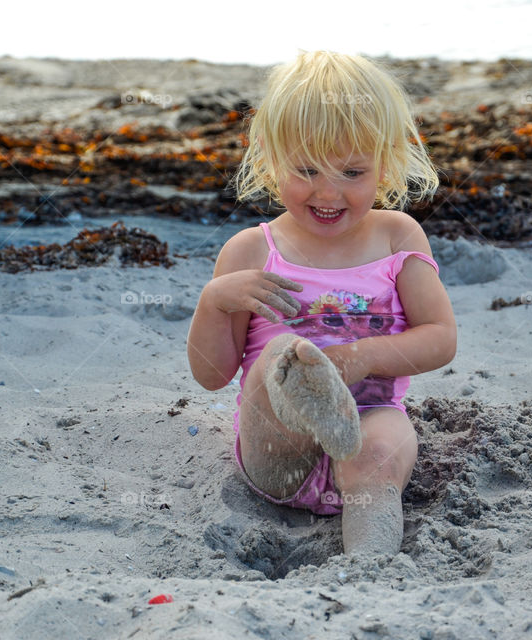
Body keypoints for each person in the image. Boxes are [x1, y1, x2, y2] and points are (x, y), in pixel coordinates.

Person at [187, 50, 456, 556]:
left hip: (371, 413)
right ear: (270, 158)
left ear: (386, 161)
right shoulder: (250, 250)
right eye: (307, 168)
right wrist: (213, 303)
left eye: (352, 172)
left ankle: (369, 571)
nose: (328, 191)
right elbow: (211, 375)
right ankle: (301, 378)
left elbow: (441, 338)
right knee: (279, 355)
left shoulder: (399, 237)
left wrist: (364, 357)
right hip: (280, 455)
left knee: (378, 453)